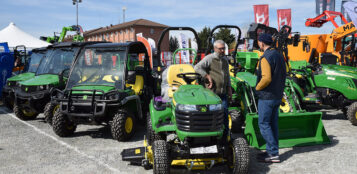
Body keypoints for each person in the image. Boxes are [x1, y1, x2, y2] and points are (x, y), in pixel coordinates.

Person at [255, 33, 286, 163]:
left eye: (258, 42)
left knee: (263, 124)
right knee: (272, 124)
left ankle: (273, 153)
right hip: (277, 95)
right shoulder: (279, 55)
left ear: (261, 43)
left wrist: (257, 88)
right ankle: (271, 151)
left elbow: (266, 78)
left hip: (267, 97)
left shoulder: (265, 57)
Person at [194, 40, 232, 142]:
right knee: (211, 117)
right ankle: (209, 138)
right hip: (212, 94)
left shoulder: (225, 60)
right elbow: (197, 67)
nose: (223, 50)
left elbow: (227, 75)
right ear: (215, 48)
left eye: (224, 48)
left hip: (223, 93)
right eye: (220, 49)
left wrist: (229, 88)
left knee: (224, 115)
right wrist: (207, 76)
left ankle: (225, 140)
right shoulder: (210, 58)